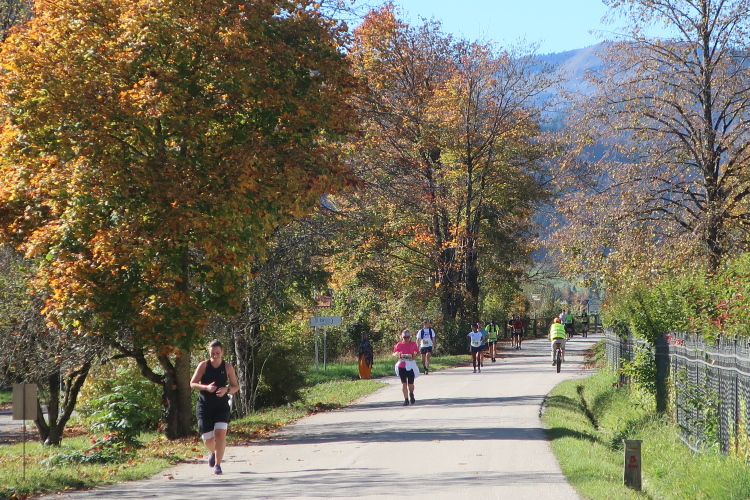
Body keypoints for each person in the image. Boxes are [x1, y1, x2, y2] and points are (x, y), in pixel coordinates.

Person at [190, 340, 240, 475]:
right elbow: (193, 383)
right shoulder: (203, 365)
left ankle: (217, 465)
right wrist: (206, 387)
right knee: (207, 438)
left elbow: (235, 387)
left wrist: (226, 390)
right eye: (212, 353)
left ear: (222, 351)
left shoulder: (228, 367)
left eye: (217, 353)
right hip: (204, 405)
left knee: (220, 433)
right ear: (209, 352)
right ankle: (213, 452)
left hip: (221, 406)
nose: (215, 356)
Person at [393, 330, 420, 405]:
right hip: (402, 365)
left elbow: (418, 352)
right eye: (405, 337)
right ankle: (406, 399)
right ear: (402, 337)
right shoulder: (399, 345)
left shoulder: (413, 344)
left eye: (408, 337)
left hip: (410, 365)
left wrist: (415, 356)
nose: (406, 339)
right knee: (404, 383)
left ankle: (411, 393)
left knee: (410, 384)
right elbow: (394, 353)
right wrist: (396, 354)